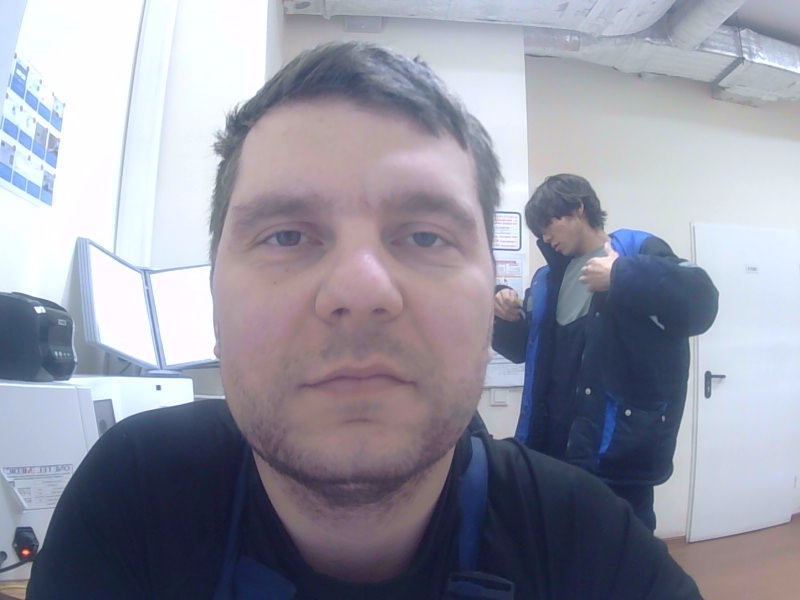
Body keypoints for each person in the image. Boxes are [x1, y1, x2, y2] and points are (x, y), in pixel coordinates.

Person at [27, 43, 703, 599]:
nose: (359, 290)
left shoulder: (589, 540)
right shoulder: (134, 497)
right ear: (212, 300)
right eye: (286, 236)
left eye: (427, 236)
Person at [492, 173, 719, 532]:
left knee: (624, 548)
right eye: (538, 232)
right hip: (551, 449)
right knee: (558, 547)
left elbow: (702, 303)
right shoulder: (547, 279)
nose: (544, 238)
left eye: (548, 225)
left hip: (615, 448)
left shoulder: (635, 251)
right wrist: (505, 319)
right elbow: (525, 351)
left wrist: (621, 276)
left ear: (578, 208)